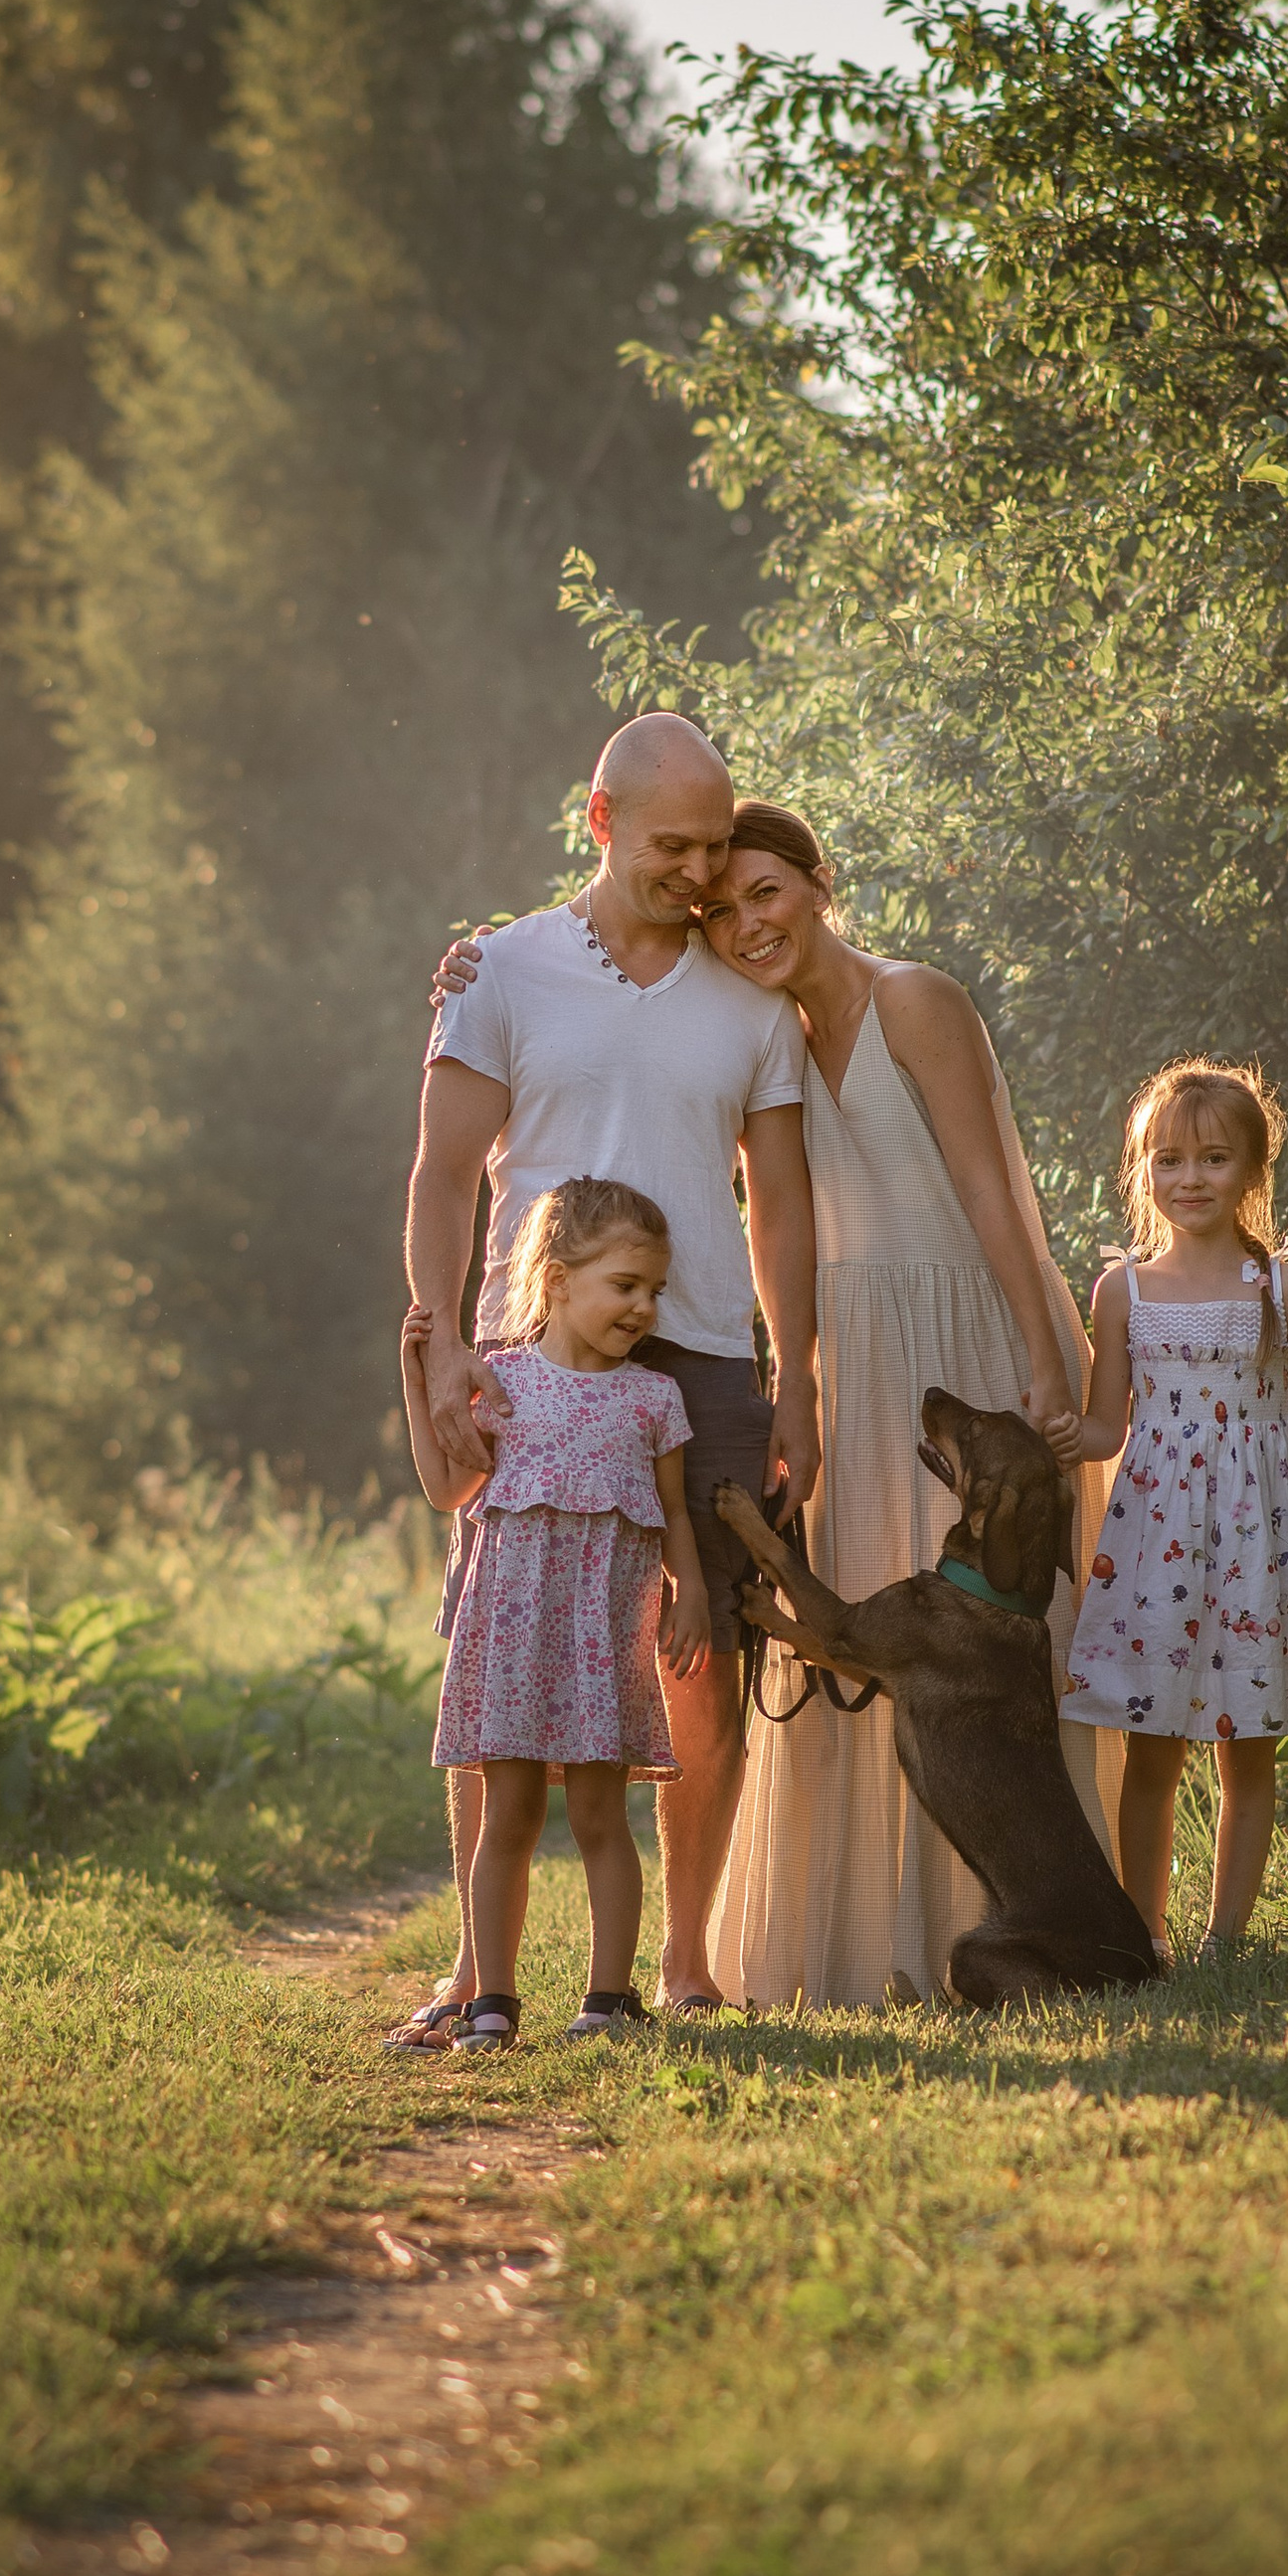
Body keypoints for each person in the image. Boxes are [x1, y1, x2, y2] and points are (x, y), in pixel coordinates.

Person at [401, 713, 817, 2027]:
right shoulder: (500, 970)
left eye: (713, 844)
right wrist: (442, 1339)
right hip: (528, 1354)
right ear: (600, 821)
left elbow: (782, 1206)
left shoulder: (753, 999)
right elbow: (443, 1173)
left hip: (705, 1355)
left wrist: (795, 1372)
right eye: (670, 844)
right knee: (498, 1650)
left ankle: (683, 1963)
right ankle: (476, 1970)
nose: (697, 871)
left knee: (701, 1654)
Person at [689, 804, 1124, 2006]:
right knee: (867, 1623)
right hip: (856, 1354)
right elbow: (777, 1224)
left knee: (988, 1644)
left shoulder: (914, 999)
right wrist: (795, 1379)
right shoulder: (763, 1037)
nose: (746, 924)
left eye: (765, 892)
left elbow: (989, 1192)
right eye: (720, 911)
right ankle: (851, 1949)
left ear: (817, 883)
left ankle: (1045, 1935)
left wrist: (1043, 1358)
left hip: (968, 1333)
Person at [394, 1179, 711, 2051]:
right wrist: (418, 1384)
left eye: (654, 1290)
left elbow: (674, 1514)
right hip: (515, 1642)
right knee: (509, 1815)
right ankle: (491, 2000)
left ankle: (608, 1999)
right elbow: (447, 1488)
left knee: (602, 1817)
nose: (643, 1306)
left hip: (602, 1647)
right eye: (625, 1285)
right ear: (560, 1279)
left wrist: (690, 1590)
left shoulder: (654, 1399)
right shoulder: (503, 1384)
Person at [1060, 1059, 1288, 1955]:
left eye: (1214, 1158)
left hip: (1261, 1542)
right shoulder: (1124, 1290)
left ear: (1252, 1171)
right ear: (1144, 1171)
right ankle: (1142, 1937)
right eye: (1169, 1160)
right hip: (1155, 1544)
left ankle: (1224, 1943)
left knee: (1248, 1745)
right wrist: (1056, 1430)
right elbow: (1106, 1428)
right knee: (1151, 1747)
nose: (1189, 1178)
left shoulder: (1282, 1289)